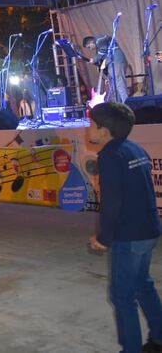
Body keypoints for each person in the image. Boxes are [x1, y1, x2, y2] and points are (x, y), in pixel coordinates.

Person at [88, 102, 162, 353]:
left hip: (128, 236)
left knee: (122, 296)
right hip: (148, 230)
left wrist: (104, 237)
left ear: (104, 131)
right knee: (143, 283)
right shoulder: (135, 149)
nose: (89, 128)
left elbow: (113, 202)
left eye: (92, 124)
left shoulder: (110, 155)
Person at [83, 35, 129, 103]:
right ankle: (119, 106)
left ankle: (128, 104)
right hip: (112, 64)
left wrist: (94, 59)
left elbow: (102, 52)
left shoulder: (100, 40)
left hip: (116, 62)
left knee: (120, 86)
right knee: (114, 89)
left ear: (92, 42)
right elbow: (102, 59)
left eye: (89, 47)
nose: (90, 49)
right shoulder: (99, 47)